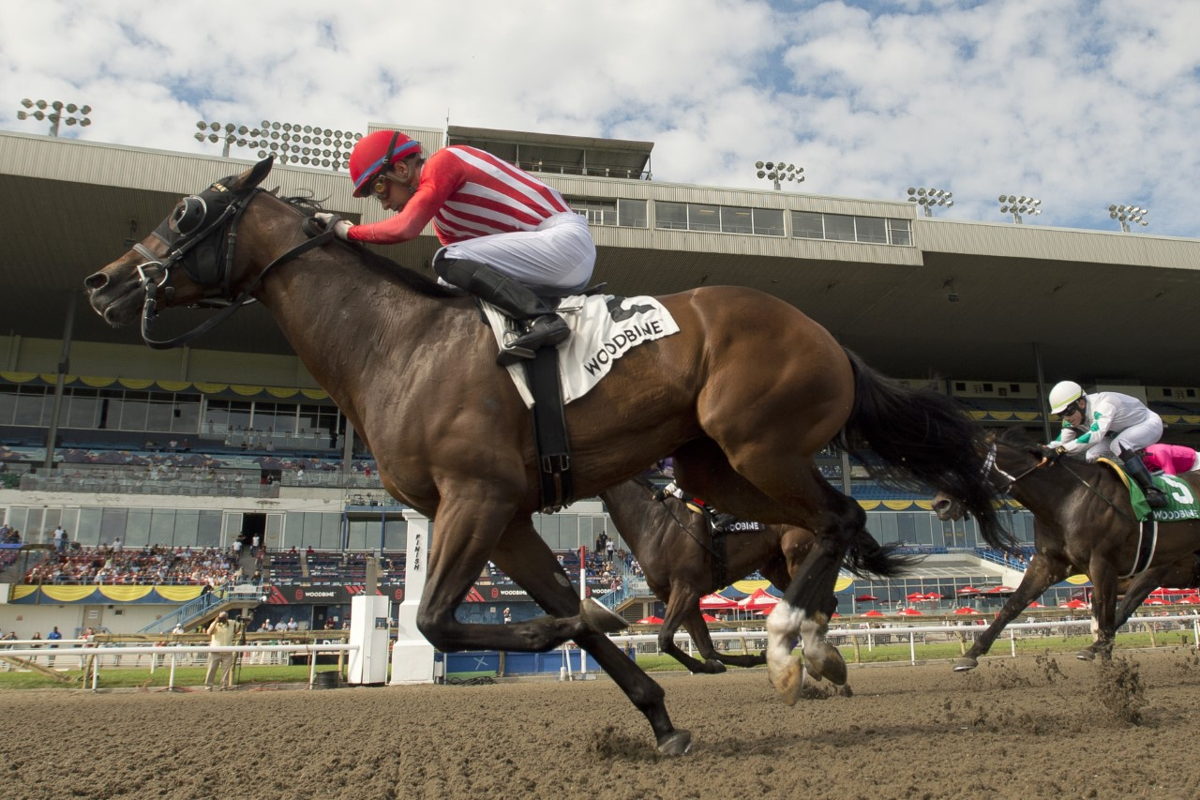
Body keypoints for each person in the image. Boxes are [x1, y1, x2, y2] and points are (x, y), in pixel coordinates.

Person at [314, 129, 596, 365]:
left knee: (446, 259)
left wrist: (348, 232)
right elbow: (459, 284)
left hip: (565, 241)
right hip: (549, 266)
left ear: (400, 169)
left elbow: (404, 228)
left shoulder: (444, 161)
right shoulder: (444, 223)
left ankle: (542, 319)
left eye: (380, 190)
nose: (385, 204)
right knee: (446, 282)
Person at [1046, 380, 1167, 508]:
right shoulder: (1072, 417)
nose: (1066, 418)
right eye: (1061, 415)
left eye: (1068, 412)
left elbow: (1094, 436)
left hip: (1148, 424)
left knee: (1118, 444)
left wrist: (1061, 450)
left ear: (1081, 403)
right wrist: (1044, 450)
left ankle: (1152, 490)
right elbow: (1060, 442)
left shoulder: (1104, 404)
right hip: (1118, 433)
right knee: (1092, 454)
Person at [203, 611, 237, 691]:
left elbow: (241, 627)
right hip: (215, 651)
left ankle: (224, 686)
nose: (223, 618)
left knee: (226, 671)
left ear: (227, 617)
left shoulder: (232, 623)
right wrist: (215, 622)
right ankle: (208, 686)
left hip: (227, 651)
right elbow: (209, 633)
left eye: (224, 617)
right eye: (221, 617)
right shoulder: (215, 624)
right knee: (211, 669)